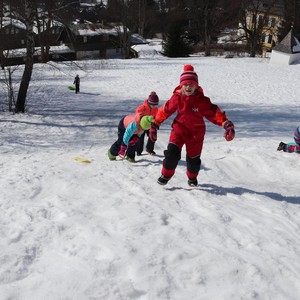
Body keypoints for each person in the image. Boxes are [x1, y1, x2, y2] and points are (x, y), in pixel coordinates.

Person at [149, 64, 235, 187]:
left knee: (193, 160)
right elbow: (165, 110)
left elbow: (214, 113)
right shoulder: (177, 98)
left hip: (196, 134)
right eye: (185, 84)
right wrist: (155, 124)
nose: (188, 87)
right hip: (179, 131)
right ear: (181, 85)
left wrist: (226, 123)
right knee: (171, 155)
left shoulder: (202, 101)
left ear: (196, 86)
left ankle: (192, 178)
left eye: (191, 84)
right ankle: (166, 175)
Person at [135, 91, 159, 156]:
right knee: (140, 138)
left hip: (150, 126)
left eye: (156, 105)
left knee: (153, 136)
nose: (154, 106)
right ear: (149, 102)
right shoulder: (142, 108)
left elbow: (157, 118)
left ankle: (150, 149)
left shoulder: (156, 109)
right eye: (153, 104)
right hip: (142, 125)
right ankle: (138, 151)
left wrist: (156, 124)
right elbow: (137, 116)